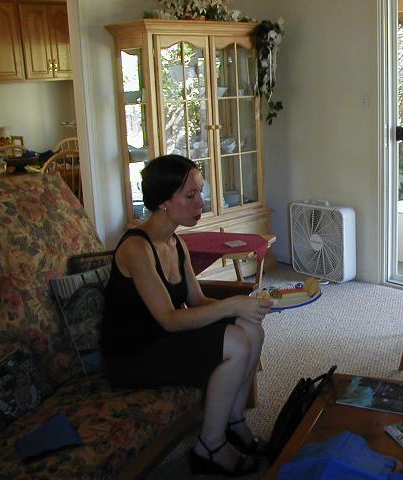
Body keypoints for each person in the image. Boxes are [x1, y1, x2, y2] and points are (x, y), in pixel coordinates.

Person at [100, 154, 273, 476]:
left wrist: (245, 307)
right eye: (190, 195)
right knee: (236, 342)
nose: (201, 202)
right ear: (164, 202)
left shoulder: (175, 242)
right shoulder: (136, 248)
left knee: (251, 327)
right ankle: (210, 446)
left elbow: (195, 300)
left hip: (164, 339)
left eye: (200, 192)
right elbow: (168, 318)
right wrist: (230, 306)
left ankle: (235, 421)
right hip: (132, 355)